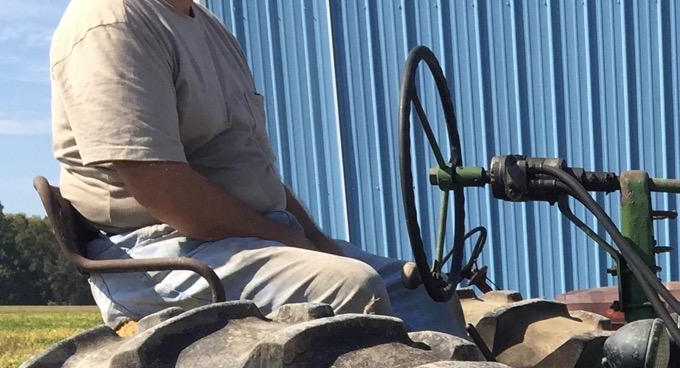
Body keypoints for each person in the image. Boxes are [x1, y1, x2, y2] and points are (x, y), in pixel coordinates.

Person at [49, 0, 466, 335]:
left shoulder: (205, 25)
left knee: (428, 293)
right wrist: (289, 239)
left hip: (243, 237)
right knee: (346, 287)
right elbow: (161, 189)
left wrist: (316, 238)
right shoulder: (111, 22)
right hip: (159, 252)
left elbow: (252, 168)